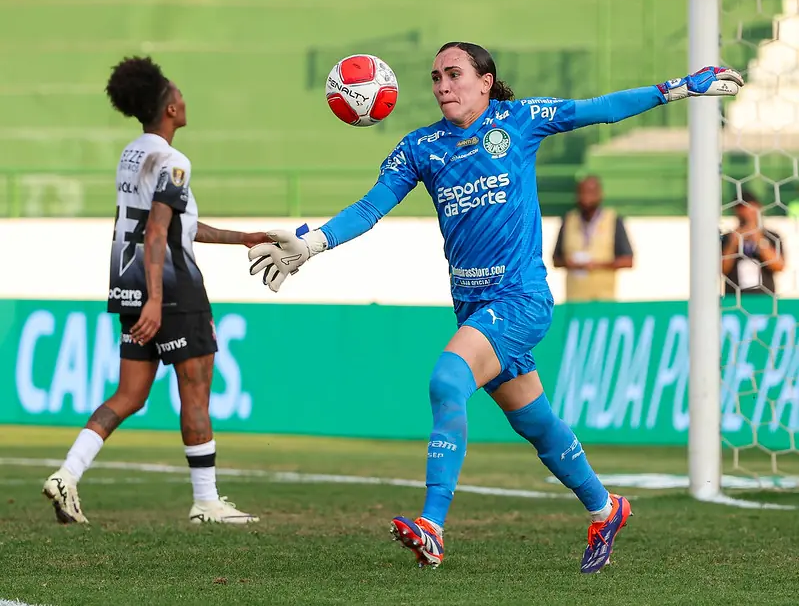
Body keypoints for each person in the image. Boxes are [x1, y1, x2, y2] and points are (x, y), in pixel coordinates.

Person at [248, 43, 743, 572]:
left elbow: (599, 107)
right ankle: (605, 507)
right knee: (535, 421)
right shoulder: (421, 147)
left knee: (446, 380)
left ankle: (432, 526)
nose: (443, 85)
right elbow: (371, 207)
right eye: (436, 77)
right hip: (474, 307)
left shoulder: (520, 120)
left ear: (486, 82)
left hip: (521, 299)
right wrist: (312, 243)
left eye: (454, 74)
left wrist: (677, 88)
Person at [42, 56, 267, 525]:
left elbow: (175, 224)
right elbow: (159, 233)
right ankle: (206, 501)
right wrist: (158, 300)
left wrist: (241, 238)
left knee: (130, 394)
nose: (183, 99)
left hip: (127, 282)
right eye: (177, 93)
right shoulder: (173, 161)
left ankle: (67, 474)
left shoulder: (134, 154)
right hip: (170, 288)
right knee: (196, 388)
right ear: (168, 108)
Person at [552, 175, 634, 302]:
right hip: (574, 300)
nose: (586, 198)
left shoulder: (612, 220)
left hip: (603, 300)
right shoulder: (569, 220)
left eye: (590, 193)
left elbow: (628, 260)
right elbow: (556, 260)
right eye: (582, 193)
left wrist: (597, 265)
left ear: (599, 194)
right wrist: (570, 263)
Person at [721, 190, 785, 295]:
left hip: (764, 297)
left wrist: (759, 240)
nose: (746, 213)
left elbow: (779, 266)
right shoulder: (727, 238)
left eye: (749, 207)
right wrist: (733, 243)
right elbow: (722, 269)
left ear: (758, 208)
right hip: (734, 297)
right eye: (741, 208)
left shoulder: (771, 236)